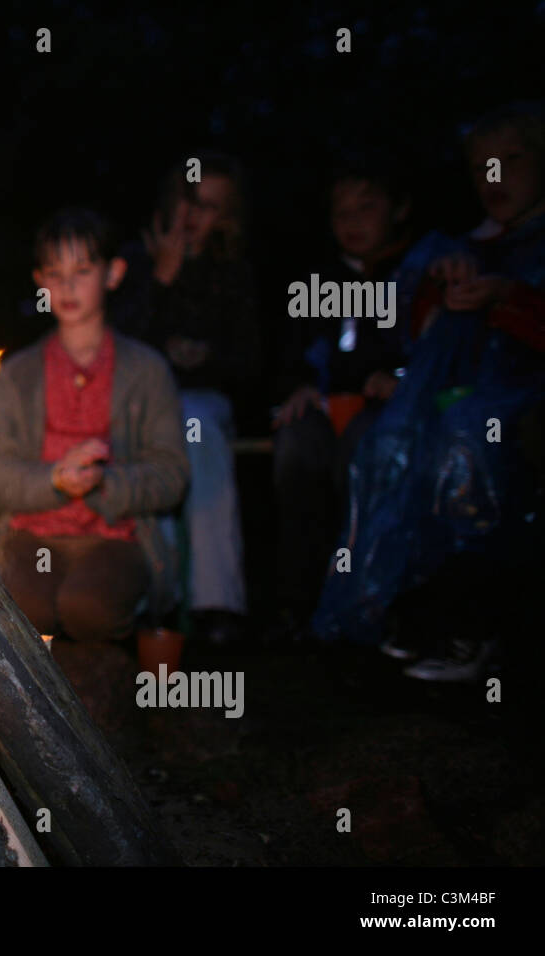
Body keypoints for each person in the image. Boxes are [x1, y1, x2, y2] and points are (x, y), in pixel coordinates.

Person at [313, 102, 545, 681]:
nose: (495, 177)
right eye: (481, 166)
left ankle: (478, 626)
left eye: (511, 160)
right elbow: (411, 342)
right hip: (455, 400)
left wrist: (507, 299)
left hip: (518, 405)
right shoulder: (456, 250)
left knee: (469, 444)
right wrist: (440, 293)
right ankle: (394, 614)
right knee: (389, 451)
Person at [0, 207, 189, 644]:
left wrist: (104, 481)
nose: (68, 286)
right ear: (40, 280)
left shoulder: (145, 370)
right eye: (55, 273)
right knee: (26, 609)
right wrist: (56, 478)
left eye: (83, 270)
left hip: (115, 536)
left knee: (88, 606)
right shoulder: (18, 374)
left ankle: (103, 695)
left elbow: (172, 472)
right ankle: (40, 703)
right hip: (34, 535)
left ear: (113, 274)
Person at [113, 152, 259, 645]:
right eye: (191, 201)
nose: (196, 216)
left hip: (202, 405)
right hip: (134, 404)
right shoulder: (132, 263)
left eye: (213, 207)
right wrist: (162, 279)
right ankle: (156, 603)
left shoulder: (234, 271)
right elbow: (115, 346)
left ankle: (217, 604)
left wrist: (202, 356)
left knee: (194, 429)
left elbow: (250, 363)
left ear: (228, 216)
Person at [271, 154, 415, 635]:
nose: (352, 223)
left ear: (399, 209)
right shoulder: (315, 281)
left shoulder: (416, 273)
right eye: (341, 213)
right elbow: (288, 357)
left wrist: (398, 375)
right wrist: (298, 387)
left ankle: (373, 599)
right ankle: (301, 600)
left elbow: (433, 351)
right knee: (295, 446)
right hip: (326, 412)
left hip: (388, 416)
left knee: (366, 450)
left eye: (367, 208)